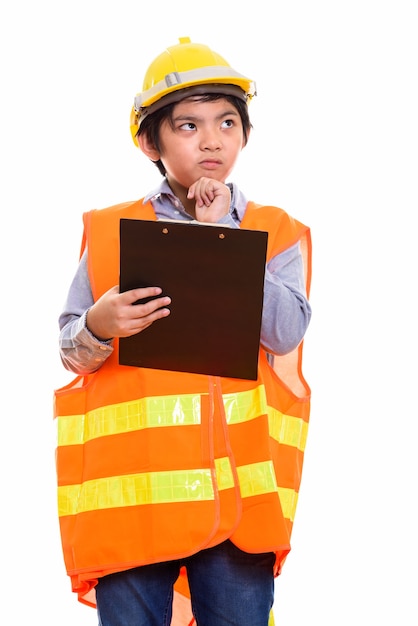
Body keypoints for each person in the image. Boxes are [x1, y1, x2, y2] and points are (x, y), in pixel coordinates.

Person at [54, 36, 312, 626]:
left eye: (226, 122)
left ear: (245, 133)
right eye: (188, 126)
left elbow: (285, 331)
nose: (212, 139)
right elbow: (72, 346)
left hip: (237, 508)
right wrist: (98, 324)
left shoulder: (275, 231)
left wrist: (225, 234)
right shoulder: (114, 230)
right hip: (135, 505)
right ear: (151, 142)